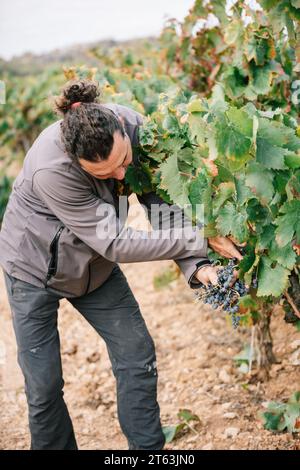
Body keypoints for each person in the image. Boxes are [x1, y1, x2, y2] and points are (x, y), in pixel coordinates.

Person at [0, 79, 242, 450]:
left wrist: (199, 264)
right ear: (78, 162)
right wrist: (200, 236)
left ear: (121, 133)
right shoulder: (52, 168)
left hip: (93, 269)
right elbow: (114, 241)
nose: (120, 176)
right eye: (104, 174)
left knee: (136, 354)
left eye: (124, 162)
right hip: (33, 270)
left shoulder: (134, 128)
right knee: (44, 386)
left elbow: (158, 201)